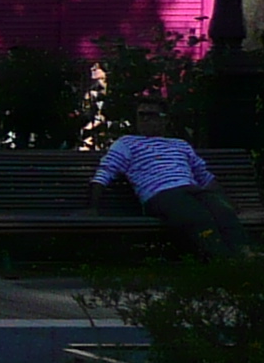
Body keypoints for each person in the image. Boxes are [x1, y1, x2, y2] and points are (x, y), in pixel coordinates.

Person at [92, 97, 249, 259]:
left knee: (223, 211)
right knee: (196, 215)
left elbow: (204, 176)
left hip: (190, 189)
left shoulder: (180, 144)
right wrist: (93, 207)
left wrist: (225, 201)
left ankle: (245, 253)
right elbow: (106, 171)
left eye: (151, 114)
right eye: (141, 115)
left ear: (164, 119)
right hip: (160, 193)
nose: (145, 119)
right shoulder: (126, 143)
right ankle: (223, 259)